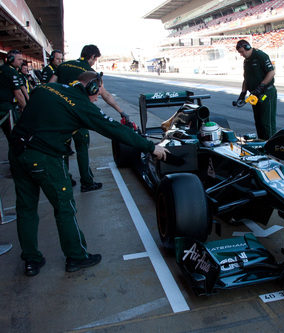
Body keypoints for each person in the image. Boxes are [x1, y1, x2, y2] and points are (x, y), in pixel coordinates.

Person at [8, 71, 169, 276]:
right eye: (98, 92)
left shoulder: (46, 88)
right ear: (91, 87)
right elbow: (113, 129)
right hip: (45, 158)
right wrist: (150, 147)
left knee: (26, 208)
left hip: (17, 152)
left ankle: (31, 261)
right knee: (64, 207)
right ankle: (76, 256)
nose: (98, 97)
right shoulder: (81, 105)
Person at [50, 44, 130, 192]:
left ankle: (66, 179)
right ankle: (87, 182)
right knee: (82, 148)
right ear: (92, 57)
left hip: (60, 115)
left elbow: (50, 85)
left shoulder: (63, 65)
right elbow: (105, 95)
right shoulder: (91, 73)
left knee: (63, 148)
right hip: (79, 116)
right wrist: (121, 111)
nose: (94, 62)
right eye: (95, 59)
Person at [235, 40, 277, 140]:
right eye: (240, 52)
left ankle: (271, 146)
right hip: (255, 95)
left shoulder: (261, 56)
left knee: (267, 123)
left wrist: (261, 86)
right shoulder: (246, 61)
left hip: (266, 93)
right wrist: (243, 93)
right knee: (258, 122)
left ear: (248, 47)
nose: (241, 54)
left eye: (242, 51)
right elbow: (246, 78)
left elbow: (271, 73)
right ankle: (262, 143)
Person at [0, 50, 27, 141]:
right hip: (6, 108)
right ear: (11, 59)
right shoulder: (12, 72)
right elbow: (19, 94)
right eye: (19, 59)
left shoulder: (2, 69)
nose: (21, 62)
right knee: (14, 137)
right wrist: (26, 109)